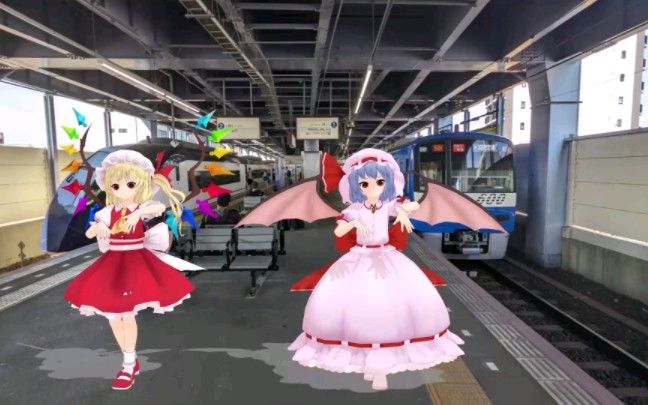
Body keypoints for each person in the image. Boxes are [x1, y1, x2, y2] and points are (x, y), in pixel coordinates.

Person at [63, 150, 202, 391]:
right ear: (109, 186)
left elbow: (157, 207)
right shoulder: (107, 212)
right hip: (112, 264)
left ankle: (128, 364)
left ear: (140, 184)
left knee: (127, 314)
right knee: (113, 316)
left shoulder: (143, 206)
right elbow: (89, 231)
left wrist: (137, 213)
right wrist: (98, 229)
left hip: (137, 263)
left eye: (130, 184)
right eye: (116, 185)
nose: (122, 190)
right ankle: (129, 358)